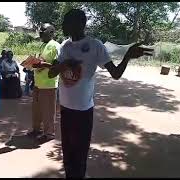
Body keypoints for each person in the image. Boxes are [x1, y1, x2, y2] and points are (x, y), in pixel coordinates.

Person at [48, 9, 153, 178]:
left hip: (83, 111)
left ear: (80, 24)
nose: (63, 25)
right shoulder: (64, 46)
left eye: (67, 22)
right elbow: (51, 74)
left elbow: (116, 74)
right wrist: (64, 64)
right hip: (65, 109)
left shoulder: (95, 46)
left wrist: (127, 57)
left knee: (80, 155)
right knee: (68, 154)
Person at [27, 23, 61, 143]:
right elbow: (41, 61)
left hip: (49, 85)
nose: (40, 32)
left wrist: (43, 64)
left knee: (48, 111)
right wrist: (32, 64)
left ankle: (49, 133)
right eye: (40, 30)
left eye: (43, 30)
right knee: (36, 109)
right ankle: (37, 129)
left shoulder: (55, 46)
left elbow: (57, 67)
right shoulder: (43, 45)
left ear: (52, 32)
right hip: (38, 83)